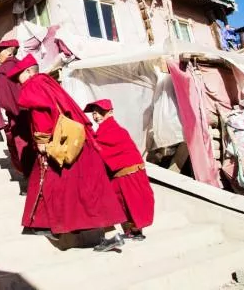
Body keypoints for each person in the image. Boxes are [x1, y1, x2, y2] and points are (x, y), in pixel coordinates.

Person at [10, 54, 126, 250]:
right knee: (90, 190)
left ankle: (48, 226)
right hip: (80, 144)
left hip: (61, 145)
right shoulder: (49, 83)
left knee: (50, 184)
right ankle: (111, 234)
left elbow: (41, 114)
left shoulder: (34, 84)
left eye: (18, 76)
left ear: (29, 71)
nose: (17, 82)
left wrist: (42, 141)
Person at [84, 99, 155, 243]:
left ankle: (130, 233)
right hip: (127, 173)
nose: (96, 116)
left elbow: (98, 148)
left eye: (99, 112)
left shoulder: (110, 130)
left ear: (110, 112)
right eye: (94, 113)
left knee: (127, 203)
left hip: (128, 174)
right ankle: (134, 232)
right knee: (128, 204)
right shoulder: (110, 129)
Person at [0, 39, 34, 177]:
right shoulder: (24, 67)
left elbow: (3, 98)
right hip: (30, 114)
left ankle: (28, 180)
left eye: (0, 52)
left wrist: (7, 115)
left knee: (21, 147)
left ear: (9, 52)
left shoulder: (3, 71)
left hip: (16, 116)